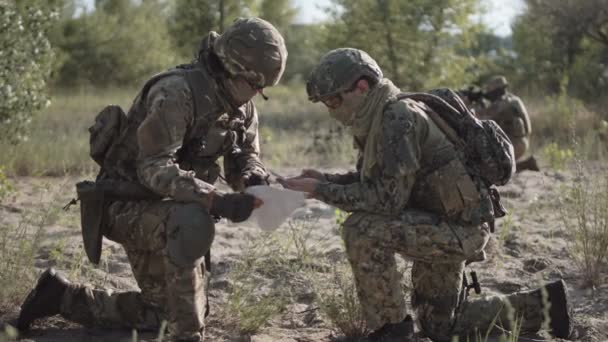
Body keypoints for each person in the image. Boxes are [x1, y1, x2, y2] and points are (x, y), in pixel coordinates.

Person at [17, 17, 287, 342]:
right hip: (126, 205)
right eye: (254, 84)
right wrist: (215, 200)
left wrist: (251, 178)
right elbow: (153, 168)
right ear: (230, 68)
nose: (258, 94)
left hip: (171, 209)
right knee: (191, 224)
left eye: (262, 89)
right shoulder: (176, 92)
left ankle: (61, 297)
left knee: (160, 316)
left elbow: (243, 157)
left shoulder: (241, 106)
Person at [280, 48, 571, 341]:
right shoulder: (380, 115)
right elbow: (378, 181)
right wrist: (325, 180)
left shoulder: (397, 117)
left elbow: (386, 200)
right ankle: (545, 305)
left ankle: (392, 329)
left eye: (334, 100)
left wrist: (321, 191)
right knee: (442, 328)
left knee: (361, 228)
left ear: (361, 87)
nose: (332, 110)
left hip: (456, 230)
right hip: (442, 222)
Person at [476, 76, 539, 172]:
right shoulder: (514, 99)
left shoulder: (503, 102)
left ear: (496, 91)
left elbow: (481, 118)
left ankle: (527, 164)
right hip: (521, 140)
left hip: (515, 143)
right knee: (502, 168)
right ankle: (527, 163)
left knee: (496, 169)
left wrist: (475, 105)